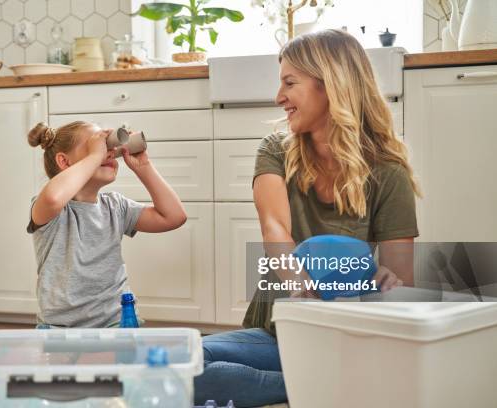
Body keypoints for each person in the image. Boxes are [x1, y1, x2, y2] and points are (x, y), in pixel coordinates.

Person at [194, 29, 420, 407]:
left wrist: (387, 281)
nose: (278, 96)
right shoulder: (276, 150)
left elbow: (401, 280)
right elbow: (275, 228)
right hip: (277, 332)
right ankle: (325, 387)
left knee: (196, 381)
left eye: (289, 82)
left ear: (329, 84)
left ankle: (318, 381)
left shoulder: (388, 172)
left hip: (344, 339)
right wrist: (301, 290)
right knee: (181, 361)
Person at [26, 121, 186, 328]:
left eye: (108, 148)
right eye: (97, 147)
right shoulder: (51, 209)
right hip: (60, 328)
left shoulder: (115, 206)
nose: (108, 153)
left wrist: (144, 167)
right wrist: (95, 156)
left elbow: (174, 217)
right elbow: (53, 198)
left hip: (117, 321)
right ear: (64, 162)